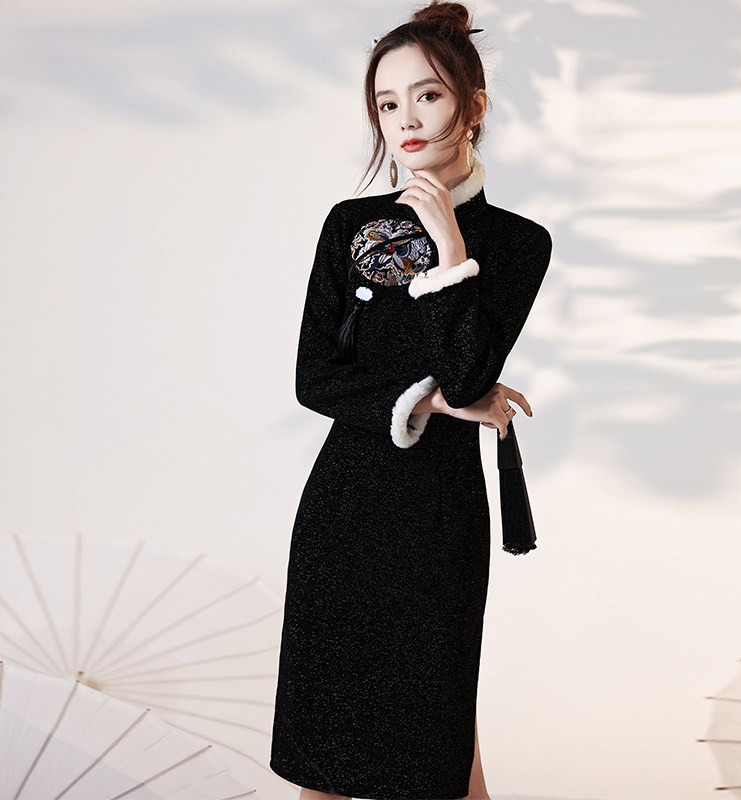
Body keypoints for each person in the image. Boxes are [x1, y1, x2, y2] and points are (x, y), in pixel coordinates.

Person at [269, 2, 553, 798]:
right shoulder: (349, 225)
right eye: (388, 103)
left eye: (427, 95)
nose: (407, 120)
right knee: (324, 755)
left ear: (474, 104)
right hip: (343, 512)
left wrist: (450, 255)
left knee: (439, 749)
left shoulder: (517, 243)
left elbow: (468, 375)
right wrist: (431, 404)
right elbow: (315, 379)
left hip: (438, 518)